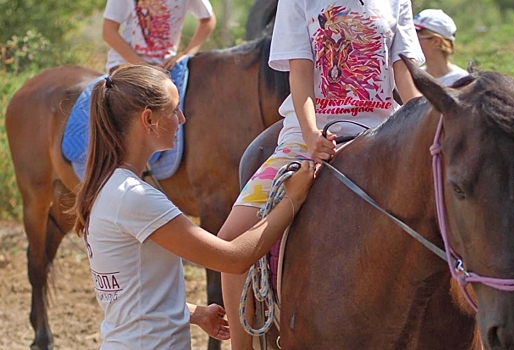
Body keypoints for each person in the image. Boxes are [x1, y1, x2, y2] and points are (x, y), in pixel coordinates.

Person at [217, 0, 426, 348]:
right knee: (229, 242)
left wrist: (424, 123)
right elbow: (300, 73)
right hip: (306, 138)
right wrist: (312, 134)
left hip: (383, 135)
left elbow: (403, 72)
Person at [71, 64, 315, 349]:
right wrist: (291, 201)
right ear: (148, 119)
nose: (182, 118)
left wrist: (195, 313)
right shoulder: (135, 198)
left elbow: (132, 295)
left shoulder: (110, 189)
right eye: (173, 110)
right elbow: (233, 258)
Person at [102, 0, 216, 73]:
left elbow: (208, 20)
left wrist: (187, 53)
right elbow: (109, 32)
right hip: (127, 63)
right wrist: (144, 66)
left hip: (167, 65)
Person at [413, 9, 469, 86]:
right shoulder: (411, 76)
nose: (410, 42)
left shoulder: (462, 80)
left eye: (415, 37)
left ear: (436, 41)